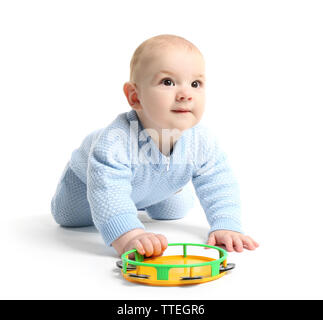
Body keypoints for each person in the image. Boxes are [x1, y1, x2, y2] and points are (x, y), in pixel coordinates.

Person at [51, 34, 259, 258]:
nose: (186, 94)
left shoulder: (201, 140)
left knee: (174, 211)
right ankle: (129, 206)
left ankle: (154, 188)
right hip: (87, 183)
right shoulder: (115, 142)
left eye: (195, 84)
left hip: (153, 184)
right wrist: (130, 235)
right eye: (168, 82)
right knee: (70, 217)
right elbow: (108, 193)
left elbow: (219, 182)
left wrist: (226, 223)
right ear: (135, 96)